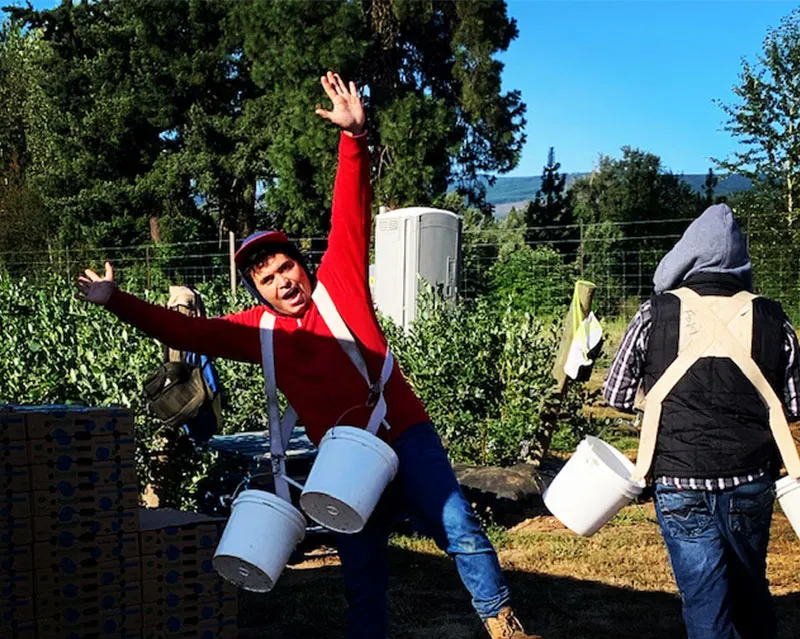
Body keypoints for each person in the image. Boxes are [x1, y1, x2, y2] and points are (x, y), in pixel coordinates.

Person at [75, 72, 542, 639]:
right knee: (362, 568)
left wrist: (353, 139)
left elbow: (348, 212)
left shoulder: (340, 284)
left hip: (404, 433)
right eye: (267, 278)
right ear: (258, 290)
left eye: (286, 267)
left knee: (456, 526)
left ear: (303, 265)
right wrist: (115, 300)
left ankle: (501, 620)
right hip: (347, 462)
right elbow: (184, 329)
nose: (282, 282)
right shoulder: (259, 332)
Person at [603, 203, 800, 639]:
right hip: (751, 479)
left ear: (686, 255)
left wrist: (661, 398)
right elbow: (794, 405)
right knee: (751, 592)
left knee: (706, 603)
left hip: (680, 482)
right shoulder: (774, 318)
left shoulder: (654, 312)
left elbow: (614, 396)